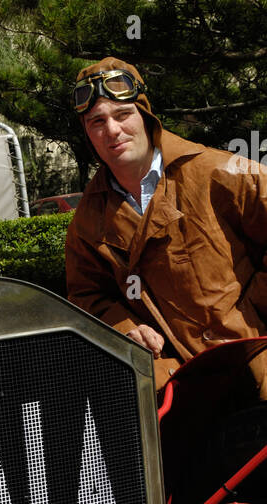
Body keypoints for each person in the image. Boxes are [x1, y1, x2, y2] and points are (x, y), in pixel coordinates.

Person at [65, 56, 267, 392]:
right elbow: (87, 295)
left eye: (122, 115)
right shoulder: (87, 221)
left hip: (254, 365)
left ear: (144, 115)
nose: (112, 131)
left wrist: (251, 311)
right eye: (96, 122)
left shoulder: (219, 172)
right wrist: (123, 324)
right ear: (88, 133)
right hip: (176, 391)